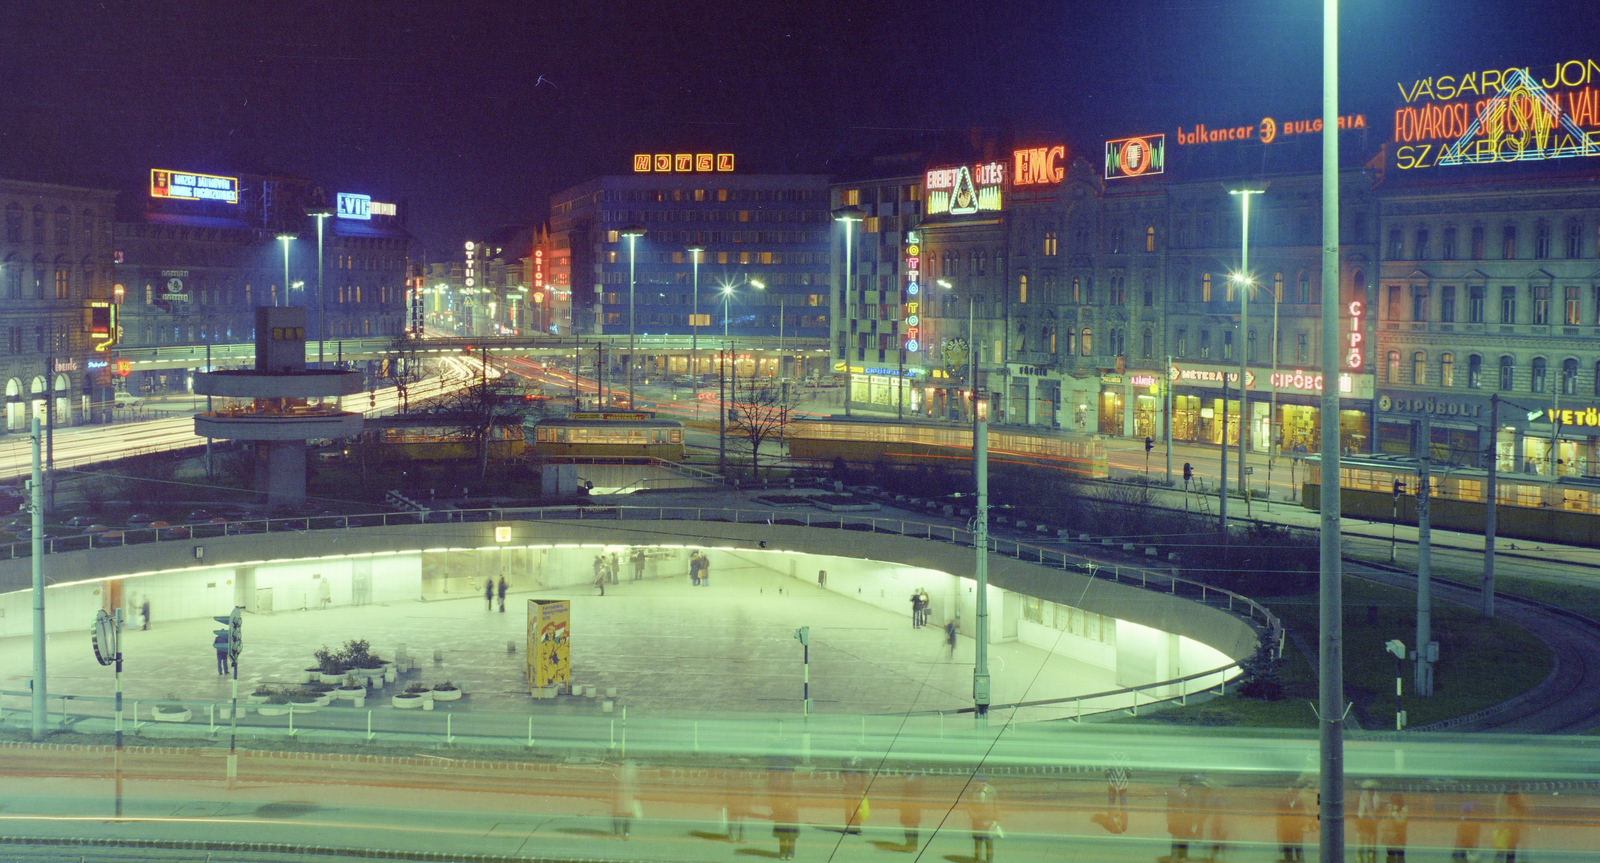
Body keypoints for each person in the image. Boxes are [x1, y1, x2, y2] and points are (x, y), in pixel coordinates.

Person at [1276, 779, 1314, 862]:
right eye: (1287, 791)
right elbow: (1279, 817)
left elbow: (1303, 815)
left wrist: (1300, 826)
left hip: (1297, 830)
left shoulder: (1300, 801)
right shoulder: (1282, 801)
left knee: (1298, 849)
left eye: (1290, 792)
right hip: (1286, 830)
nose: (1288, 793)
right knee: (1288, 849)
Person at [1164, 774, 1199, 862]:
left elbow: (1194, 807)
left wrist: (1194, 821)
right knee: (1176, 840)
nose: (1189, 786)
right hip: (1176, 820)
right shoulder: (1174, 792)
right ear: (1182, 784)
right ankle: (1174, 857)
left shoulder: (1192, 793)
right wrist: (1169, 819)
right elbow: (1170, 806)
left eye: (1190, 784)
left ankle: (1183, 857)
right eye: (1188, 784)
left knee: (1185, 840)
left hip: (1187, 822)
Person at [770, 761, 799, 861]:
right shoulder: (778, 787)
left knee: (791, 834)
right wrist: (776, 807)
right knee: (782, 834)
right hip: (781, 813)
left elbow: (796, 799)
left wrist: (790, 806)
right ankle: (783, 852)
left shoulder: (793, 787)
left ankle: (790, 852)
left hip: (790, 813)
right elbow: (775, 799)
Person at [967, 774, 998, 863]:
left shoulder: (992, 791)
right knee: (978, 842)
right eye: (980, 782)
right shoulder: (972, 791)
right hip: (977, 821)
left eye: (984, 782)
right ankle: (977, 860)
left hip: (989, 821)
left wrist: (996, 820)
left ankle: (989, 861)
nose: (982, 784)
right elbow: (969, 806)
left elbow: (996, 806)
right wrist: (973, 816)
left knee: (989, 843)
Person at [1492, 787, 1527, 863]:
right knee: (1502, 852)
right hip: (1505, 833)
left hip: (1512, 834)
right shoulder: (1505, 808)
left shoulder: (1518, 809)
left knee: (1509, 853)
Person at [1355, 780, 1381, 863]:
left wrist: (1368, 802)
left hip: (1371, 825)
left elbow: (1374, 814)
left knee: (1371, 847)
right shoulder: (1360, 798)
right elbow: (1359, 814)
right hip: (1361, 825)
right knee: (1360, 846)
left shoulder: (1375, 798)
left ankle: (1371, 860)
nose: (1367, 792)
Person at [840, 754, 867, 834]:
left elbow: (864, 776)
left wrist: (863, 788)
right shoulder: (845, 761)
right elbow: (841, 774)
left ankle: (857, 828)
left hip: (858, 788)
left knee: (857, 809)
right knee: (848, 809)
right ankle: (847, 828)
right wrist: (845, 784)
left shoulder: (861, 762)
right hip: (848, 789)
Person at [1379, 791, 1408, 863]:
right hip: (1389, 837)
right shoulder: (1389, 807)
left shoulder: (1404, 808)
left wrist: (1395, 813)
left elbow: (1401, 821)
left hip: (1399, 837)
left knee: (1400, 857)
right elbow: (1384, 819)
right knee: (1390, 856)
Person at [899, 771, 924, 849]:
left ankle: (910, 844)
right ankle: (914, 844)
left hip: (909, 807)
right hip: (914, 807)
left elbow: (907, 794)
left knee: (908, 825)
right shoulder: (916, 779)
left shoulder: (910, 781)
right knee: (914, 826)